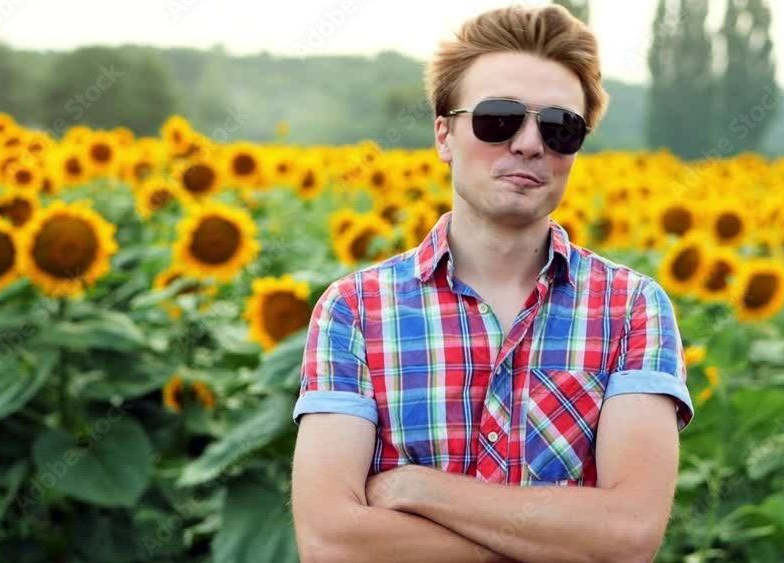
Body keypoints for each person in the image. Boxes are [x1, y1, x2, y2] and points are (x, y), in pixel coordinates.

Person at [291, 5, 694, 562]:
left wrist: (417, 488)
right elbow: (332, 544)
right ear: (445, 135)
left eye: (560, 127)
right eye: (498, 118)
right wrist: (548, 542)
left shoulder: (631, 308)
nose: (530, 144)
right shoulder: (356, 309)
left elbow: (626, 539)